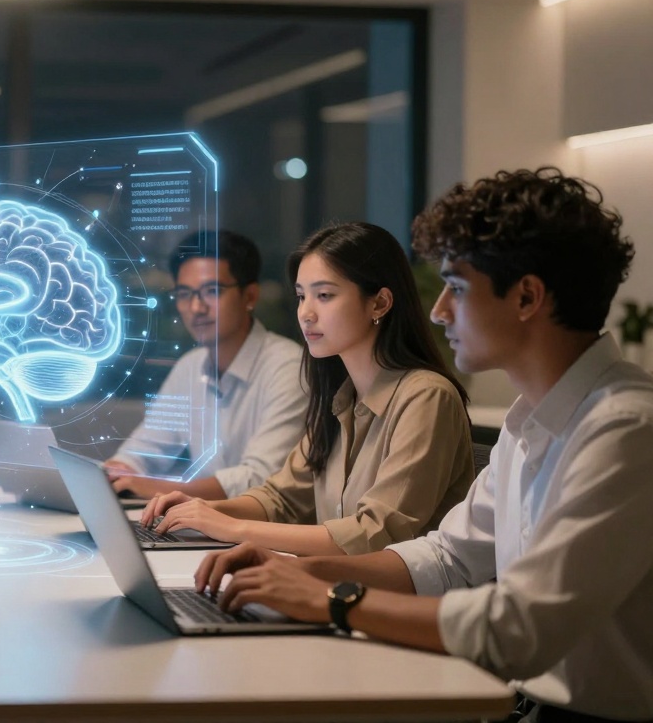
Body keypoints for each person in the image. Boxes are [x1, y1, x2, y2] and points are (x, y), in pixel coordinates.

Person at [197, 169, 652, 721]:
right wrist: (304, 572)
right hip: (512, 699)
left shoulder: (626, 427)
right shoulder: (527, 420)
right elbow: (447, 556)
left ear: (527, 296)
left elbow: (517, 630)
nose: (438, 311)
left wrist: (335, 601)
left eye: (456, 289)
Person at [143, 222, 474, 556]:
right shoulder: (340, 396)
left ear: (380, 303)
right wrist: (200, 508)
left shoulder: (427, 397)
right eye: (302, 296)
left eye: (324, 295)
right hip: (331, 587)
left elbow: (374, 533)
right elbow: (280, 499)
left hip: (394, 603)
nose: (306, 313)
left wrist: (231, 527)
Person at [104, 230, 306, 501]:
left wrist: (165, 490)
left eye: (212, 291)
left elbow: (261, 480)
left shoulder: (289, 367)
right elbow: (145, 452)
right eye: (185, 294)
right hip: (205, 526)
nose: (196, 307)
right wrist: (117, 472)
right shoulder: (190, 366)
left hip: (268, 535)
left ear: (250, 296)